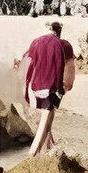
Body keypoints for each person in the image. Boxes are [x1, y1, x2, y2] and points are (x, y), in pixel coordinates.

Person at [21, 18, 76, 154]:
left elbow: (26, 61)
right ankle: (34, 155)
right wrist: (66, 87)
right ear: (60, 31)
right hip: (51, 86)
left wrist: (26, 90)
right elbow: (70, 69)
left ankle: (47, 146)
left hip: (33, 85)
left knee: (46, 117)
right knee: (47, 117)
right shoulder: (64, 45)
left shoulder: (36, 41)